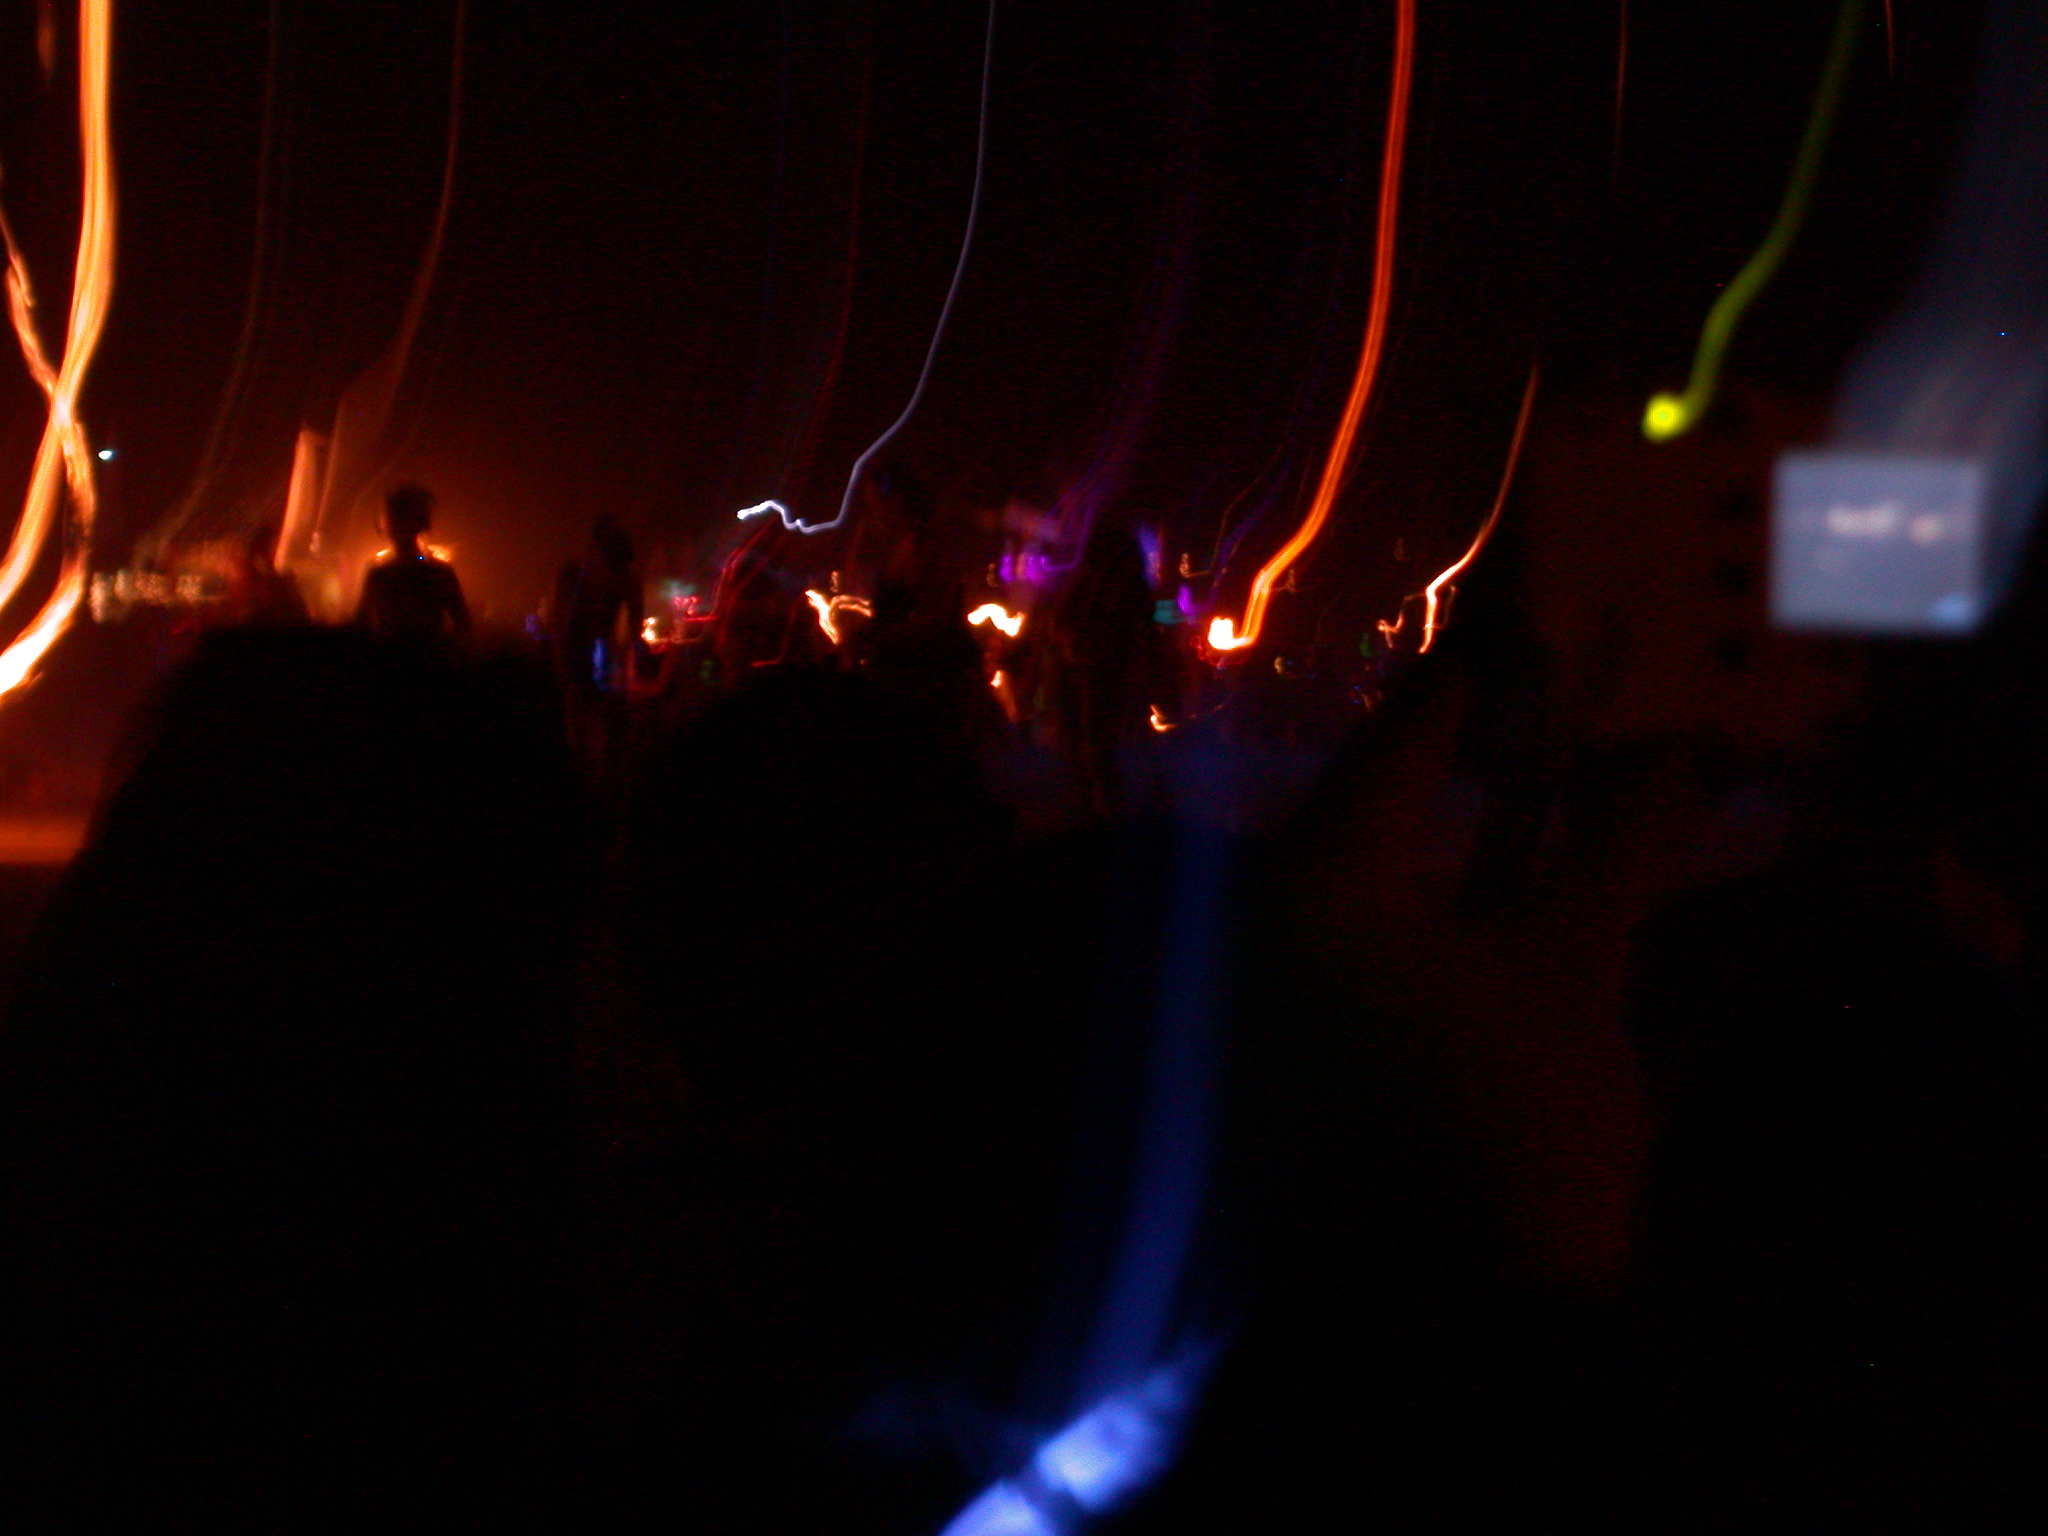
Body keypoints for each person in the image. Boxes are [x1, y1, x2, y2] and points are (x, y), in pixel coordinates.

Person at [357, 484, 470, 645]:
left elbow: (360, 625)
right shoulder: (439, 573)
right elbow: (463, 625)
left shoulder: (379, 574)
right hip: (427, 657)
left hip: (391, 658)